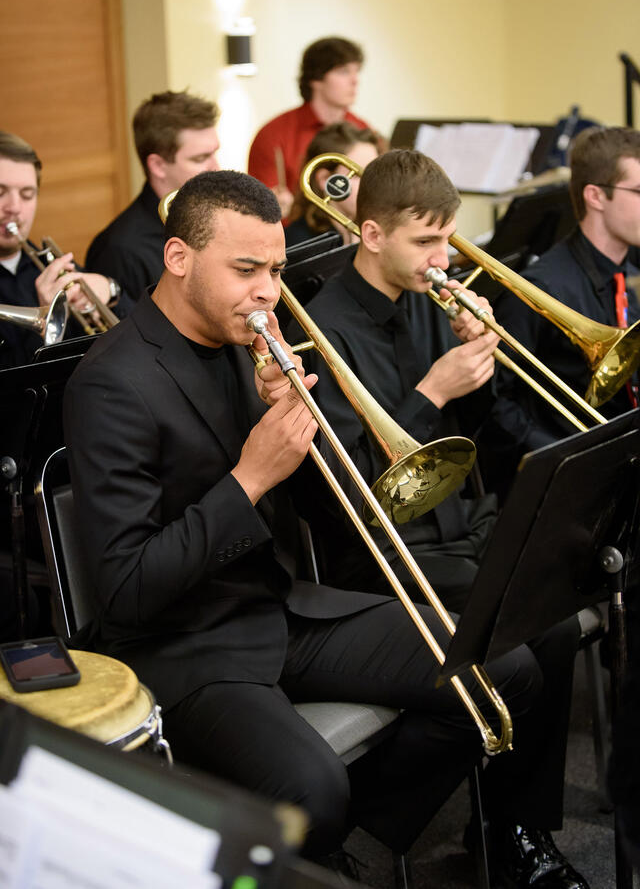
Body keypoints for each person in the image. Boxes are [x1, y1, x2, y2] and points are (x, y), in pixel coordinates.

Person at [65, 169, 587, 887]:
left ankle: (337, 852)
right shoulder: (113, 381)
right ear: (178, 258)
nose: (268, 293)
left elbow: (331, 516)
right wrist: (251, 476)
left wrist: (299, 438)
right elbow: (125, 590)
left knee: (506, 678)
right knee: (314, 789)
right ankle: (323, 845)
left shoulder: (245, 346)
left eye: (276, 269)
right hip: (183, 645)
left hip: (278, 608)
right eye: (246, 269)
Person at [295, 149, 587, 887]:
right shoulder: (324, 330)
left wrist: (479, 365)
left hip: (460, 528)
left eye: (448, 239)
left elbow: (480, 441)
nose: (441, 259)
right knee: (528, 637)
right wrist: (431, 389)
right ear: (369, 235)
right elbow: (354, 495)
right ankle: (380, 830)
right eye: (425, 242)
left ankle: (512, 831)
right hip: (380, 552)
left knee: (554, 613)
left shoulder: (433, 302)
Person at [481, 126, 640, 494]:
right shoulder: (543, 288)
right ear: (596, 196)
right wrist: (560, 457)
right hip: (572, 475)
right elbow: (496, 403)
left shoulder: (630, 270)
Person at [0, 131, 124, 369]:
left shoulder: (49, 263)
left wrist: (109, 289)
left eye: (27, 195)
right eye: (0, 192)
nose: (14, 207)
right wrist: (47, 323)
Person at [86, 90, 220, 300]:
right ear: (158, 166)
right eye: (200, 158)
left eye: (214, 153)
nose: (216, 168)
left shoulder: (213, 220)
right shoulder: (120, 250)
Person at [248, 37, 374, 219]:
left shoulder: (363, 131)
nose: (355, 80)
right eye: (344, 71)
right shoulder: (273, 135)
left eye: (357, 72)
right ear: (316, 78)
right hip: (295, 240)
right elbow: (260, 213)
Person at [285, 122, 380, 247]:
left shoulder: (370, 231)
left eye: (374, 173)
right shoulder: (300, 242)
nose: (371, 185)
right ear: (325, 179)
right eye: (356, 175)